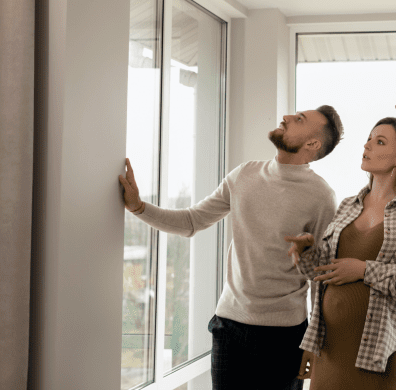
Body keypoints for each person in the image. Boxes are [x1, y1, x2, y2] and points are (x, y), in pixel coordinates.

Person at [118, 106, 344, 390]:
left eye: (299, 120)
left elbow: (321, 277)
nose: (286, 117)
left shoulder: (322, 196)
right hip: (228, 326)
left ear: (312, 144)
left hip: (284, 336)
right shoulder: (245, 174)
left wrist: (314, 341)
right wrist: (138, 207)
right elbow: (192, 220)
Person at [285, 117, 396, 390]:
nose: (367, 145)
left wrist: (363, 270)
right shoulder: (347, 206)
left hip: (381, 361)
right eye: (369, 138)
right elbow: (322, 274)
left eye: (379, 141)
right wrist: (308, 253)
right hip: (329, 354)